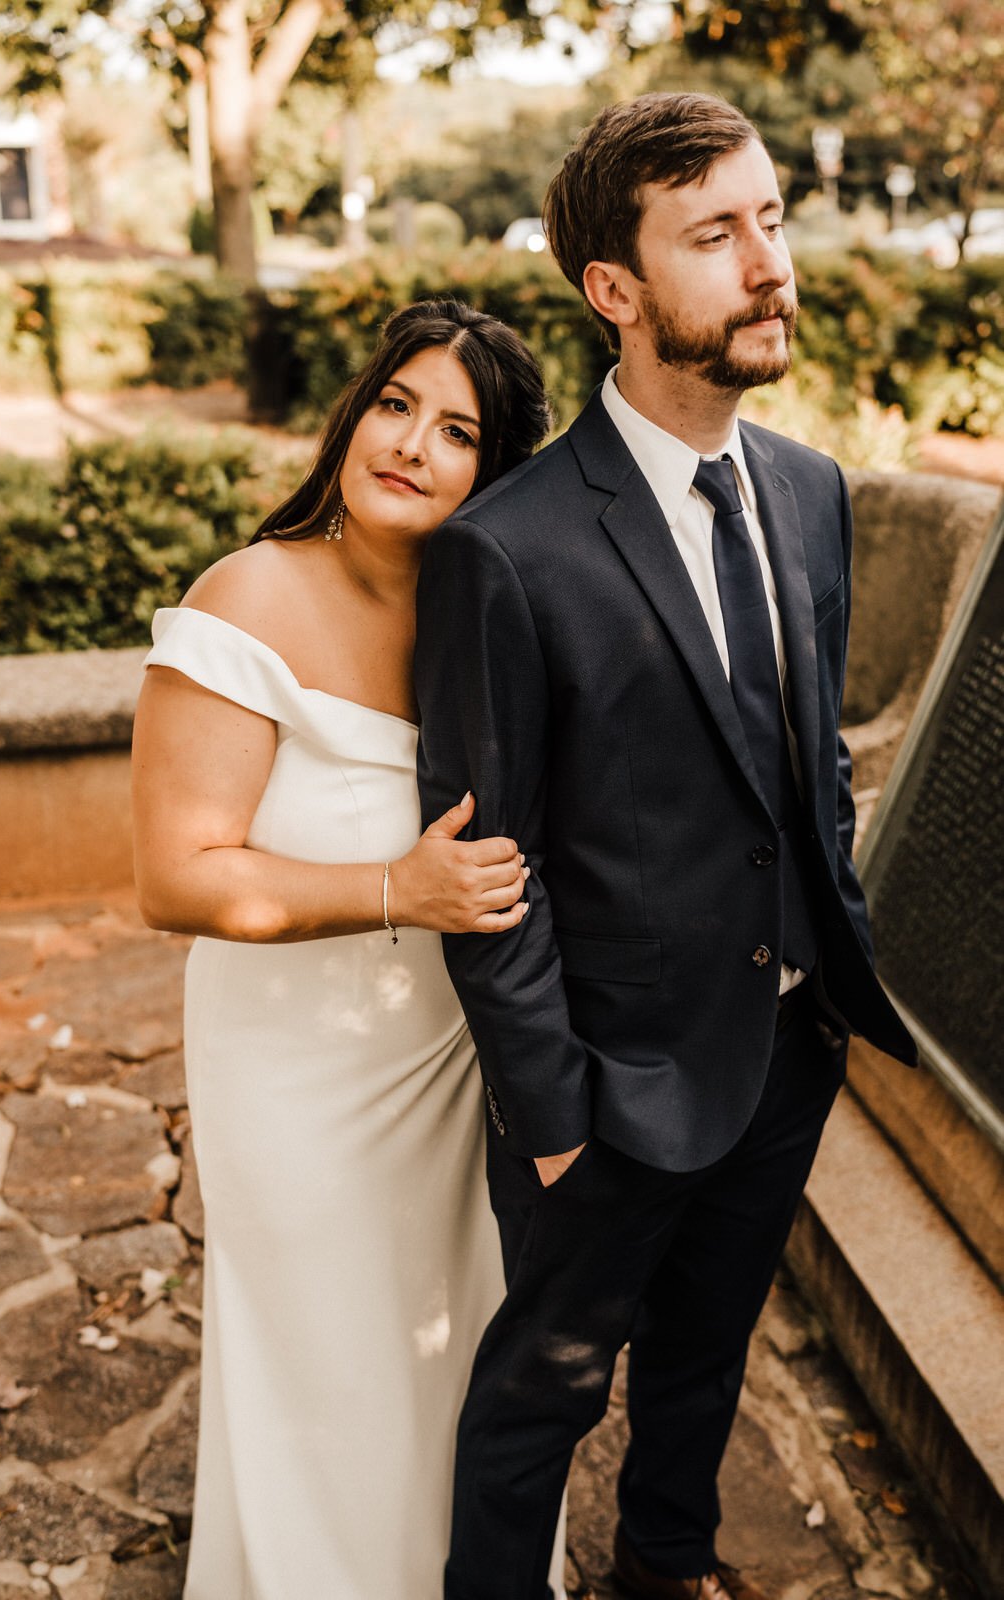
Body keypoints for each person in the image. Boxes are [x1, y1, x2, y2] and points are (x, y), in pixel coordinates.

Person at [415, 93, 918, 1600]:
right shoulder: (506, 550)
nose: (769, 264)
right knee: (538, 1403)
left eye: (770, 219)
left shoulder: (815, 493)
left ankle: (668, 1565)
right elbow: (482, 867)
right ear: (614, 293)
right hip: (609, 1095)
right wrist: (554, 1117)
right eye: (716, 235)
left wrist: (825, 992)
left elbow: (806, 759)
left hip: (781, 1054)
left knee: (708, 1363)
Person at [130, 299, 567, 1600]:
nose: (412, 446)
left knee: (449, 1336)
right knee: (328, 1355)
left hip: (445, 1065)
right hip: (295, 1072)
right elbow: (176, 876)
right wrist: (400, 886)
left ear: (496, 475)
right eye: (395, 405)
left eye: (458, 432)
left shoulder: (484, 619)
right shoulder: (248, 597)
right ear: (353, 412)